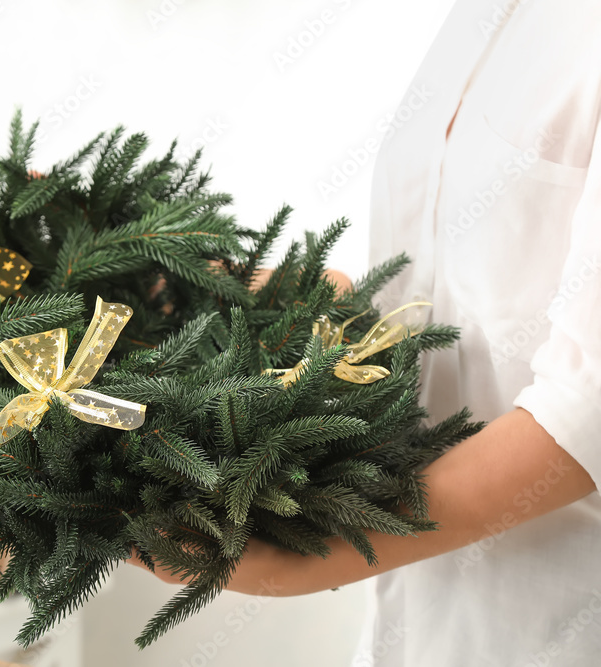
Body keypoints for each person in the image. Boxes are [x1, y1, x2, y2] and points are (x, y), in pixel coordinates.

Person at [131, 1, 601, 664]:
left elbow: (585, 409)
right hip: (409, 625)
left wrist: (313, 555)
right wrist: (190, 282)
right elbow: (437, 307)